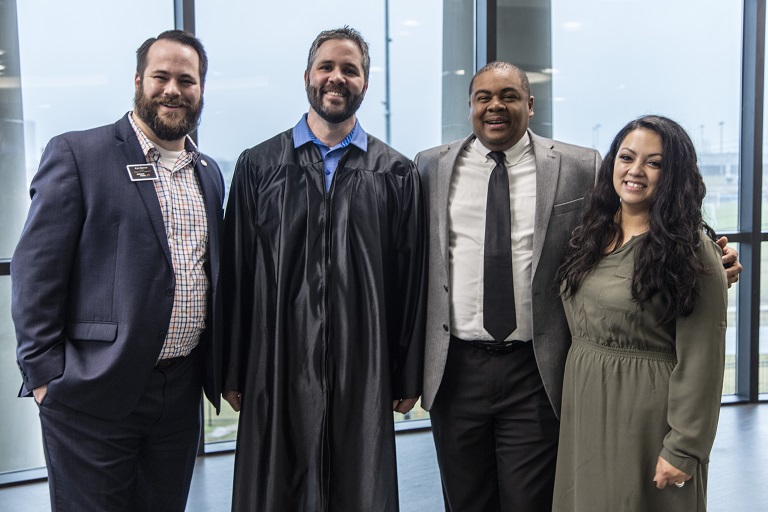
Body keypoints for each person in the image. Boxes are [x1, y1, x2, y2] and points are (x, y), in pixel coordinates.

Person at [415, 61, 741, 512]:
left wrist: (712, 258)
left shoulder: (577, 166)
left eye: (509, 96)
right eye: (483, 97)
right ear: (469, 105)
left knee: (535, 500)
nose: (496, 106)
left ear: (530, 105)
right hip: (457, 371)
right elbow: (411, 267)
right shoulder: (430, 166)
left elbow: (655, 220)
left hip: (537, 369)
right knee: (466, 500)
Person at [11, 30, 224, 512]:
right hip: (92, 393)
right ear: (137, 81)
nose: (173, 89)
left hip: (179, 394)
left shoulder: (208, 172)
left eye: (186, 80)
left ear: (201, 90)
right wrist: (47, 377)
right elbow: (36, 273)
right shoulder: (78, 154)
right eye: (161, 77)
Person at [221, 26, 426, 511]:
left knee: (359, 484)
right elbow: (235, 272)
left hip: (365, 360)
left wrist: (405, 373)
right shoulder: (260, 165)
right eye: (327, 67)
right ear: (308, 76)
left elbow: (410, 279)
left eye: (349, 70)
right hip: (277, 357)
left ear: (364, 83)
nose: (337, 78)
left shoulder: (394, 173)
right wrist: (233, 367)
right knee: (276, 485)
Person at [554, 115, 726, 511]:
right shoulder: (591, 233)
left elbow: (704, 357)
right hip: (586, 407)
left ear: (674, 175)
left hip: (646, 418)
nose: (635, 171)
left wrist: (683, 447)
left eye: (655, 162)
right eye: (627, 157)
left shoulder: (692, 251)